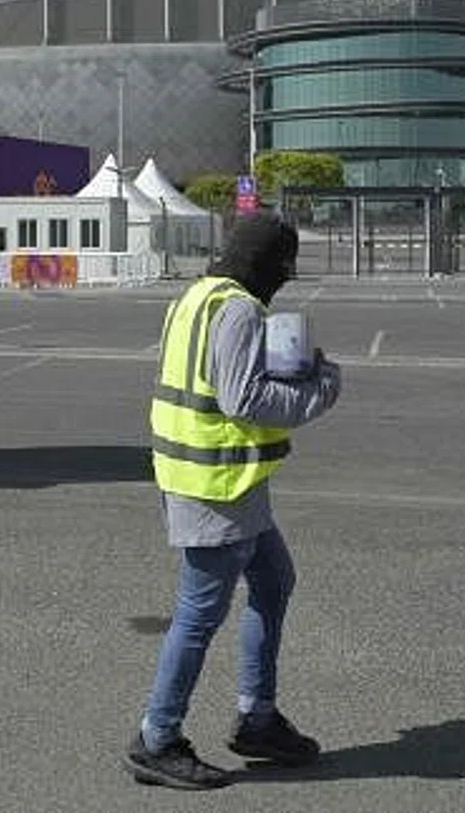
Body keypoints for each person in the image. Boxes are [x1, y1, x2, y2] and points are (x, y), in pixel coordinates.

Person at [125, 214, 343, 790]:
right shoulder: (240, 308)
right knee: (198, 614)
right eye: (284, 268)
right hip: (214, 485)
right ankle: (157, 737)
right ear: (266, 263)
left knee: (273, 581)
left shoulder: (196, 296)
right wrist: (319, 386)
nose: (285, 279)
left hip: (216, 480)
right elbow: (243, 397)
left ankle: (258, 718)